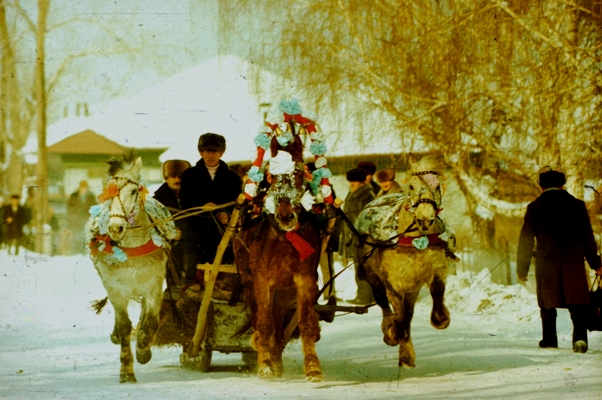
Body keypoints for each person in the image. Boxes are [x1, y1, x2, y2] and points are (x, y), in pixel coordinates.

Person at [517, 168, 602, 353]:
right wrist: (596, 264)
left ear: (541, 187)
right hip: (573, 262)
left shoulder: (534, 207)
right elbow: (588, 238)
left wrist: (522, 269)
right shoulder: (577, 205)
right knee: (577, 303)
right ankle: (580, 340)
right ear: (562, 185)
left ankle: (549, 340)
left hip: (546, 264)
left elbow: (525, 241)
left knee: (547, 304)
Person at [179, 133, 242, 284]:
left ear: (221, 153)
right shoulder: (189, 175)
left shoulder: (233, 178)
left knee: (224, 267)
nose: (210, 155)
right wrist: (202, 207)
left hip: (221, 231)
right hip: (196, 229)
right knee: (193, 264)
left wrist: (227, 215)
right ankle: (192, 286)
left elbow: (237, 204)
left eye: (214, 151)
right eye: (207, 151)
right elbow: (184, 202)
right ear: (201, 152)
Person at [340, 168, 376, 305]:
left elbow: (369, 217)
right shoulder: (353, 193)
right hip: (354, 237)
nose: (351, 184)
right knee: (359, 267)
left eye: (354, 182)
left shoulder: (367, 195)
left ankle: (365, 296)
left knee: (363, 268)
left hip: (362, 237)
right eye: (350, 182)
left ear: (361, 182)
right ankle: (364, 295)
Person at [153, 159, 191, 282]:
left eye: (181, 177)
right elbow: (152, 224)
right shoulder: (156, 201)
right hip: (169, 247)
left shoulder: (197, 196)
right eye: (173, 176)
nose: (177, 180)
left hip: (192, 243)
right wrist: (169, 231)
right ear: (166, 178)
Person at [66, 180, 97, 254]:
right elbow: (69, 208)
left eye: (85, 188)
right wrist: (72, 217)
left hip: (87, 220)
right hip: (76, 220)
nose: (83, 189)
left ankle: (84, 252)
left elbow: (94, 207)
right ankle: (75, 252)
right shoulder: (73, 196)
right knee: (76, 236)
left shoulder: (91, 196)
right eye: (82, 187)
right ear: (79, 187)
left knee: (85, 236)